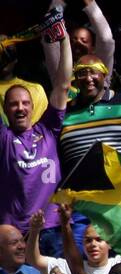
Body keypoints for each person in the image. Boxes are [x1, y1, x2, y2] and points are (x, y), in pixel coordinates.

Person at [0, 18, 71, 235]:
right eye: (13, 104)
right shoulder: (3, 138)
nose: (20, 108)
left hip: (51, 228)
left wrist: (64, 38)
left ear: (32, 107)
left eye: (25, 103)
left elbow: (63, 84)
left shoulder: (48, 129)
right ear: (5, 109)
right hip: (15, 232)